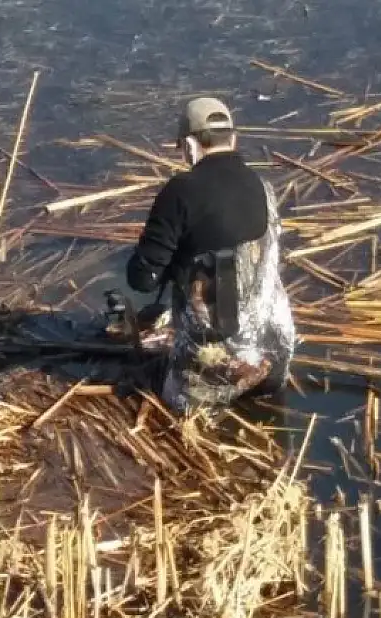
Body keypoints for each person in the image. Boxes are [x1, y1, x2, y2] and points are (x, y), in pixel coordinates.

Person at [124, 96, 296, 415]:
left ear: (190, 145)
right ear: (233, 138)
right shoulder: (264, 188)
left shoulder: (181, 191)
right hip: (273, 357)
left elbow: (142, 280)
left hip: (215, 375)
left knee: (155, 400)